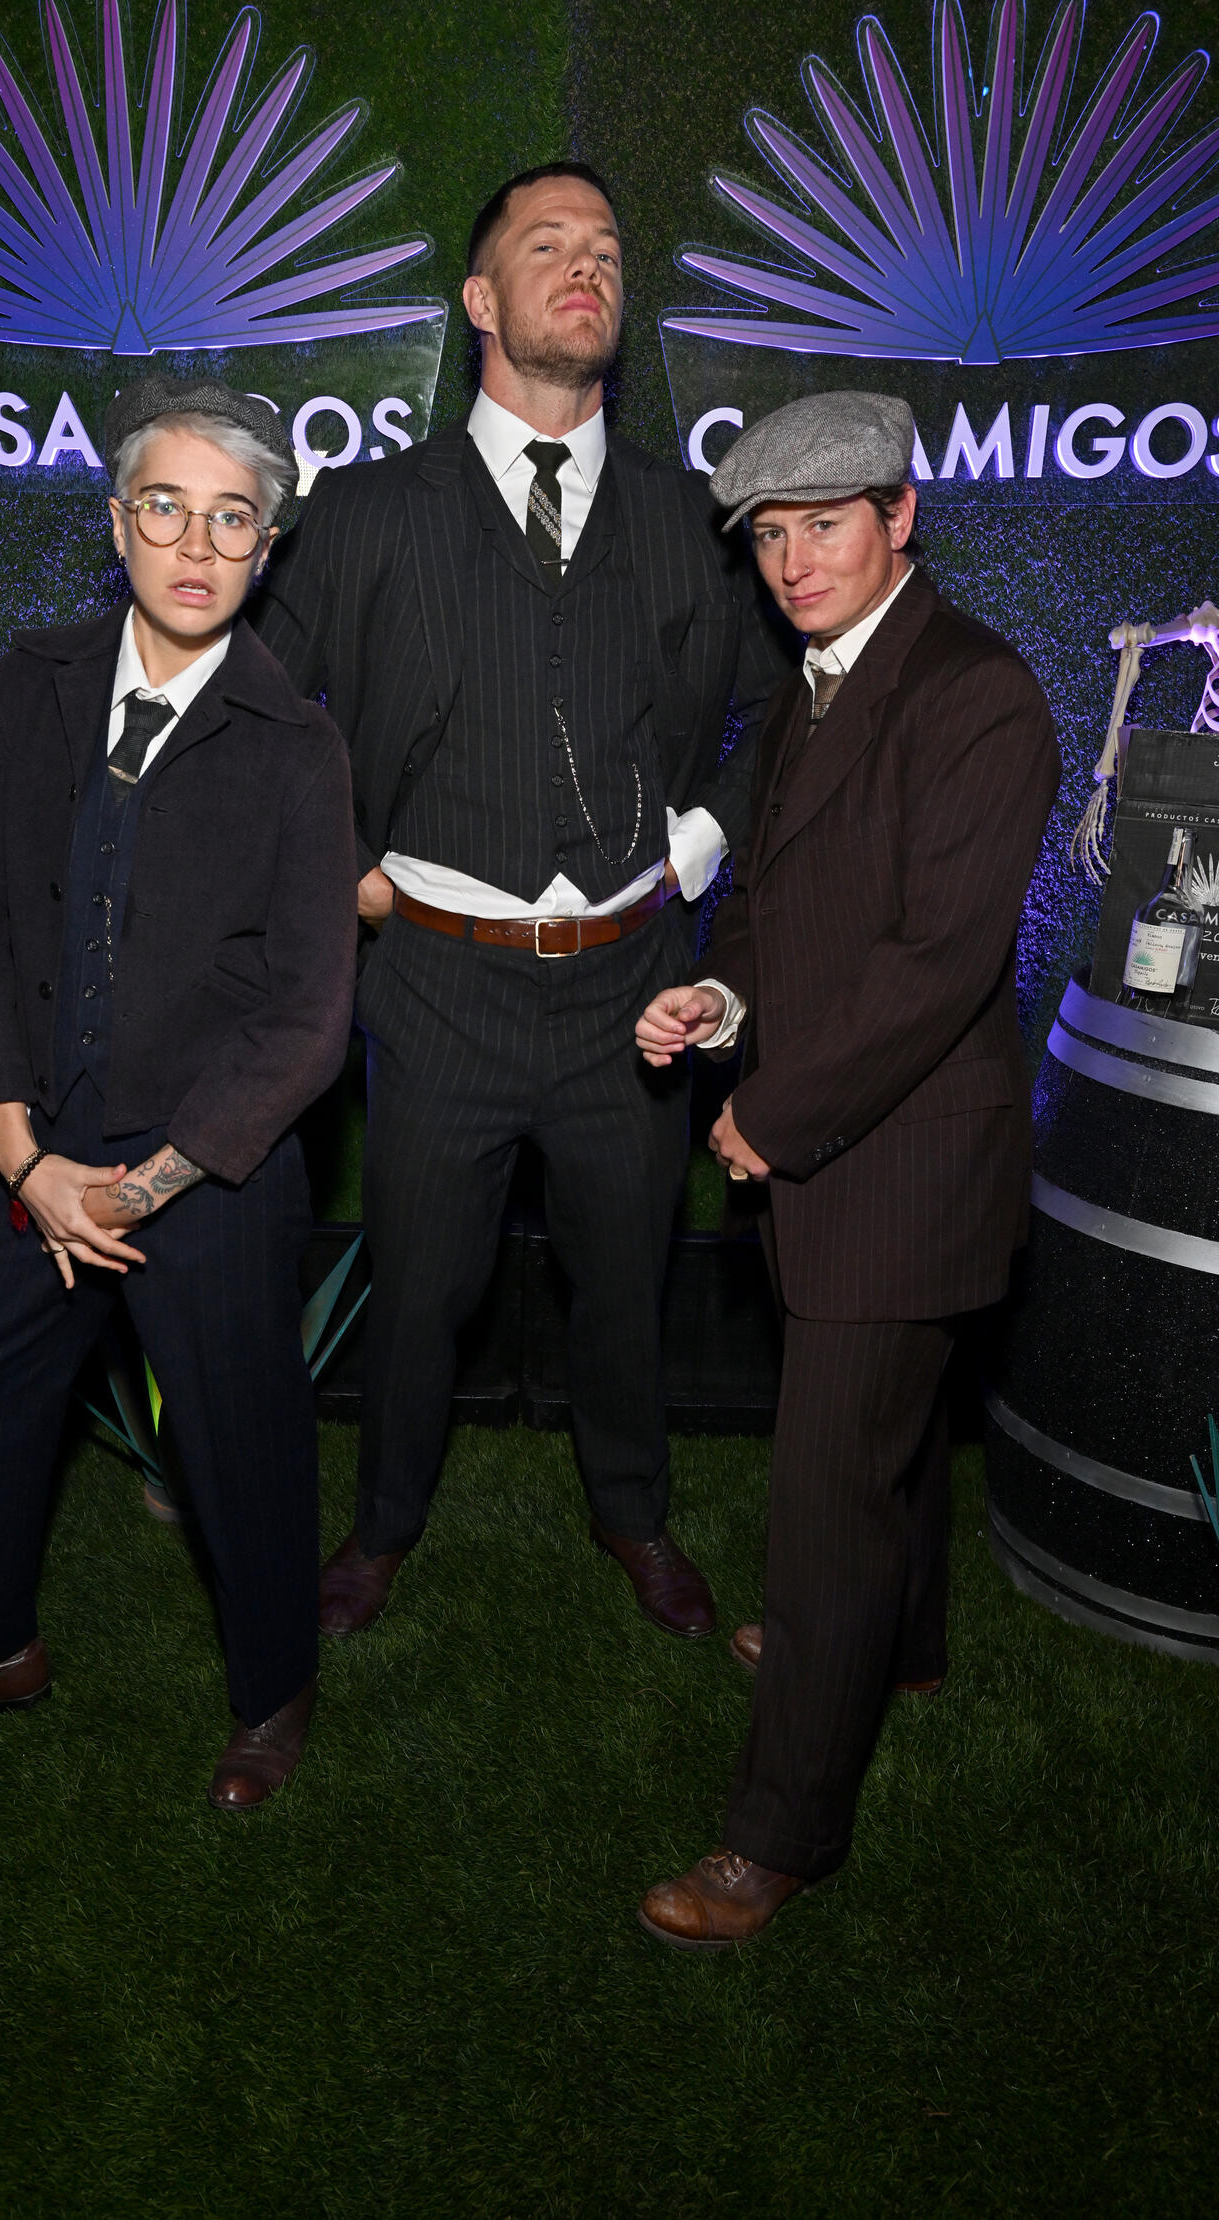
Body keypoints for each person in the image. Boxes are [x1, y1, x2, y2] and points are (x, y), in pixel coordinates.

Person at [257, 163, 788, 1640]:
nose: (586, 264)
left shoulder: (698, 519)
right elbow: (259, 714)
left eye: (606, 247)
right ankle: (382, 1526)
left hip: (636, 989)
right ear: (481, 302)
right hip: (436, 983)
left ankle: (634, 1512)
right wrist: (336, 864)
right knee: (421, 1283)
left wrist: (698, 844)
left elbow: (797, 707)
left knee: (626, 1278)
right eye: (548, 245)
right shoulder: (367, 512)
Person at [0, 379, 357, 1812]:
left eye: (232, 519)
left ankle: (274, 1692)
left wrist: (153, 1183)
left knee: (239, 1439)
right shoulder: (39, 681)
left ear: (265, 549)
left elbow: (309, 1018)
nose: (196, 544)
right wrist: (23, 1158)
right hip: (40, 1143)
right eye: (166, 507)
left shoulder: (297, 744)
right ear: (118, 522)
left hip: (211, 1164)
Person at [633, 390, 1061, 1945]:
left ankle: (780, 1835)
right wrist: (721, 998)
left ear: (901, 518)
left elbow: (936, 968)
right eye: (769, 535)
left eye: (825, 524)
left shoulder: (979, 694)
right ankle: (908, 1648)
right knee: (895, 1443)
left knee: (824, 1503)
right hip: (844, 1143)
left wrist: (772, 1112)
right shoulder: (811, 684)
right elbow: (764, 899)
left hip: (899, 1165)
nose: (794, 561)